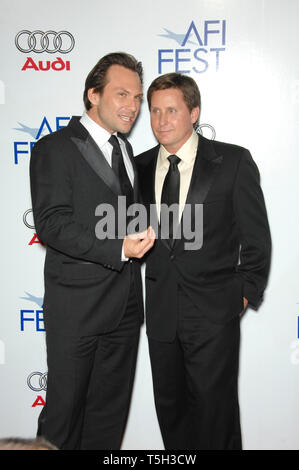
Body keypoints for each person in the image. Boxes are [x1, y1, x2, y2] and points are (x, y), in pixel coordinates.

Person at [136, 72, 271, 450]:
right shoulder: (138, 166)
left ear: (194, 112)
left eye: (172, 110)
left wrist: (243, 295)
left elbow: (257, 240)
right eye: (155, 111)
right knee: (172, 417)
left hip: (214, 314)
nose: (162, 120)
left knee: (217, 419)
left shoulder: (232, 161)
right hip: (161, 314)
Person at [30, 52, 155, 450]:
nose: (132, 106)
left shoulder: (128, 153)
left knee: (107, 423)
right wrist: (119, 247)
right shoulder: (57, 147)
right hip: (78, 310)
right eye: (122, 94)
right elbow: (52, 223)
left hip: (125, 311)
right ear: (92, 95)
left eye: (136, 97)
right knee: (63, 423)